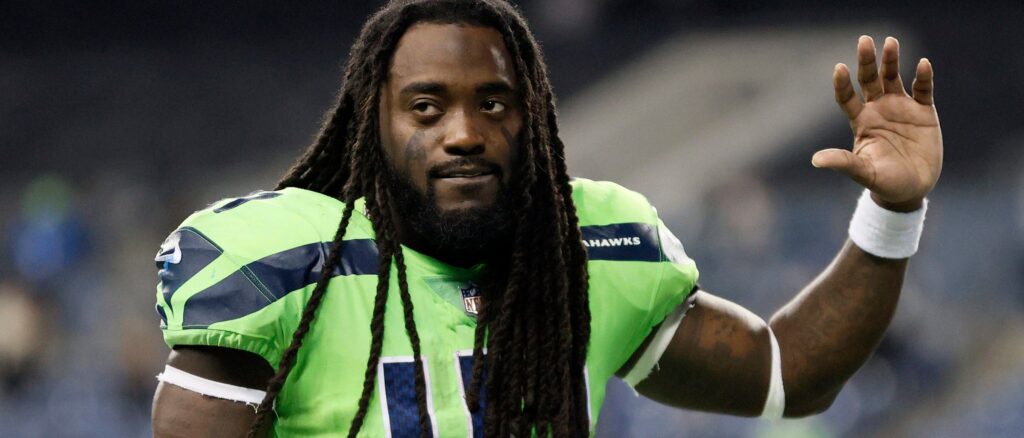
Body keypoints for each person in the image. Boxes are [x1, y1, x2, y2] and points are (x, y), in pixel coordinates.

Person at [149, 0, 943, 437]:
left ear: (534, 119)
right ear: (371, 125)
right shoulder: (283, 260)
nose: (463, 131)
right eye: (425, 106)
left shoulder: (588, 252)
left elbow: (788, 375)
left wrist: (893, 208)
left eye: (492, 103)